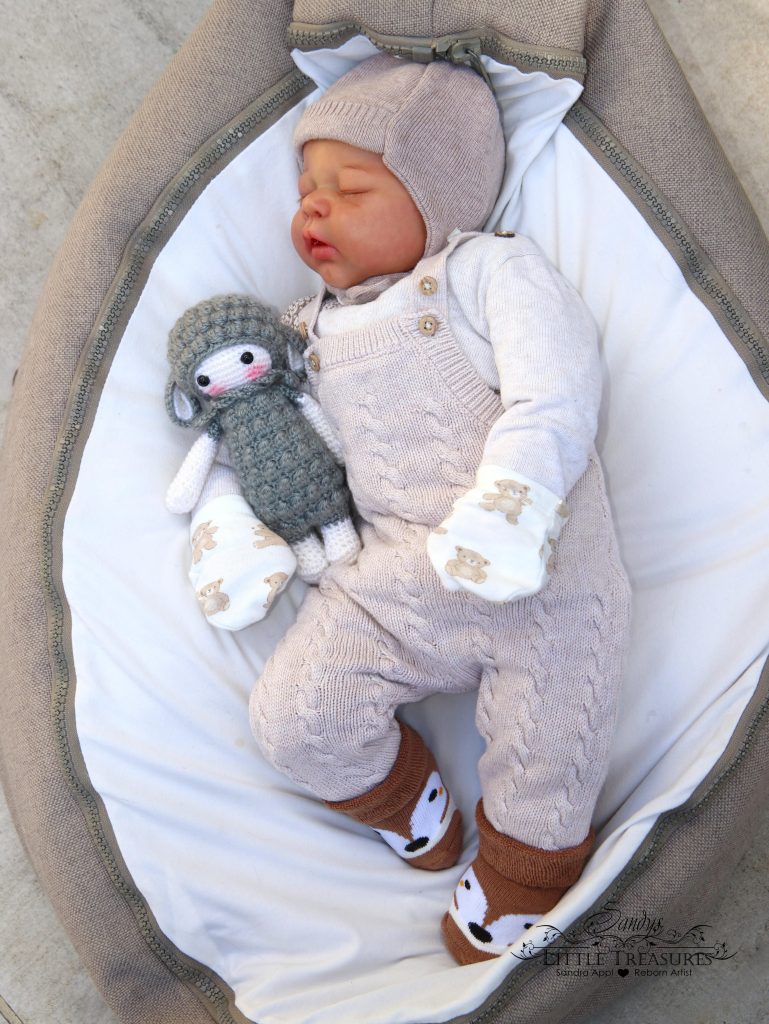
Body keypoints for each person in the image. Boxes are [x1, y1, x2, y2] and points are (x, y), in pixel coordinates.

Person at [200, 53, 631, 965]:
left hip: (540, 571)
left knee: (554, 745)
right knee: (294, 718)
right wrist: (235, 519)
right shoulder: (304, 330)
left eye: (350, 188)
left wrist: (514, 497)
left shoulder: (487, 271)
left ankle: (522, 871)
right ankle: (401, 796)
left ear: (437, 200)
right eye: (306, 191)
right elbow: (275, 446)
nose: (314, 209)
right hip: (398, 579)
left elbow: (556, 391)